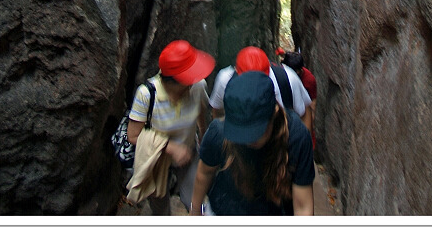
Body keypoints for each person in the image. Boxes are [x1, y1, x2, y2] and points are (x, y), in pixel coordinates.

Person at [190, 70, 315, 215]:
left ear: (274, 113)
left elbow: (303, 204)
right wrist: (195, 212)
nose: (248, 140)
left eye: (255, 132)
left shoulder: (296, 137)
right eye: (240, 132)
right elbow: (205, 172)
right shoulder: (219, 132)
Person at [126, 39, 215, 214]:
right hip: (157, 158)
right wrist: (171, 147)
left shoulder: (198, 86)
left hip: (189, 152)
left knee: (195, 200)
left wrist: (203, 135)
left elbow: (200, 110)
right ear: (176, 80)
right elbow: (133, 135)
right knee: (160, 208)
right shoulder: (147, 94)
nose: (195, 78)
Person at [209, 46, 313, 134]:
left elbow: (305, 113)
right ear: (236, 71)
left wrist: (301, 146)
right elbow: (217, 112)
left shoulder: (288, 79)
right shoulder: (225, 81)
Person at [282, 50, 317, 149]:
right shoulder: (282, 76)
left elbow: (312, 101)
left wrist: (311, 119)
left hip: (302, 113)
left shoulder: (309, 80)